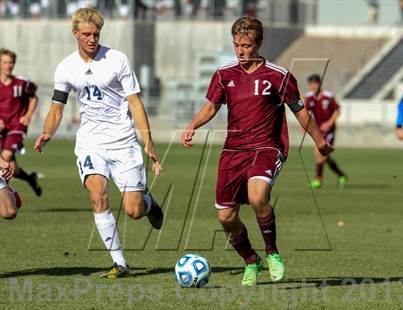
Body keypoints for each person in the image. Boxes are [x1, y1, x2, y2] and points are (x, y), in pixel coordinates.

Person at [181, 16, 333, 287]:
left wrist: (319, 140)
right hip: (233, 151)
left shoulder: (278, 75)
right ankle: (252, 261)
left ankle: (272, 253)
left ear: (259, 43)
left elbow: (300, 111)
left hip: (266, 147)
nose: (240, 50)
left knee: (257, 196)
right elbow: (211, 106)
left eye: (246, 45)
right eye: (236, 45)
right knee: (225, 216)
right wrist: (193, 125)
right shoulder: (224, 74)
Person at [34, 8, 163, 279]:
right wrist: (48, 132)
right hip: (90, 143)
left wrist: (147, 140)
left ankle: (149, 204)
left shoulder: (117, 59)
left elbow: (135, 103)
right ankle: (120, 263)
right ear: (75, 34)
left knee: (134, 210)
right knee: (98, 196)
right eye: (86, 34)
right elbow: (57, 109)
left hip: (124, 141)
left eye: (96, 34)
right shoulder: (66, 67)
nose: (92, 39)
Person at [0, 48, 42, 196]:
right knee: (11, 166)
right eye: (5, 62)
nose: (8, 65)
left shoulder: (21, 82)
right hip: (1, 129)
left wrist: (28, 115)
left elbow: (34, 97)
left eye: (11, 62)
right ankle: (30, 178)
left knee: (4, 157)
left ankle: (6, 196)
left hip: (16, 127)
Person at [304, 74, 348, 189]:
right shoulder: (309, 97)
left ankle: (318, 179)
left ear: (319, 84)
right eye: (311, 84)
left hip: (329, 131)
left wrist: (329, 123)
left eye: (315, 84)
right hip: (318, 130)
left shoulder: (328, 96)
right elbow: (304, 112)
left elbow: (337, 111)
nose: (313, 86)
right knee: (324, 157)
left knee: (319, 152)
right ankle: (341, 175)